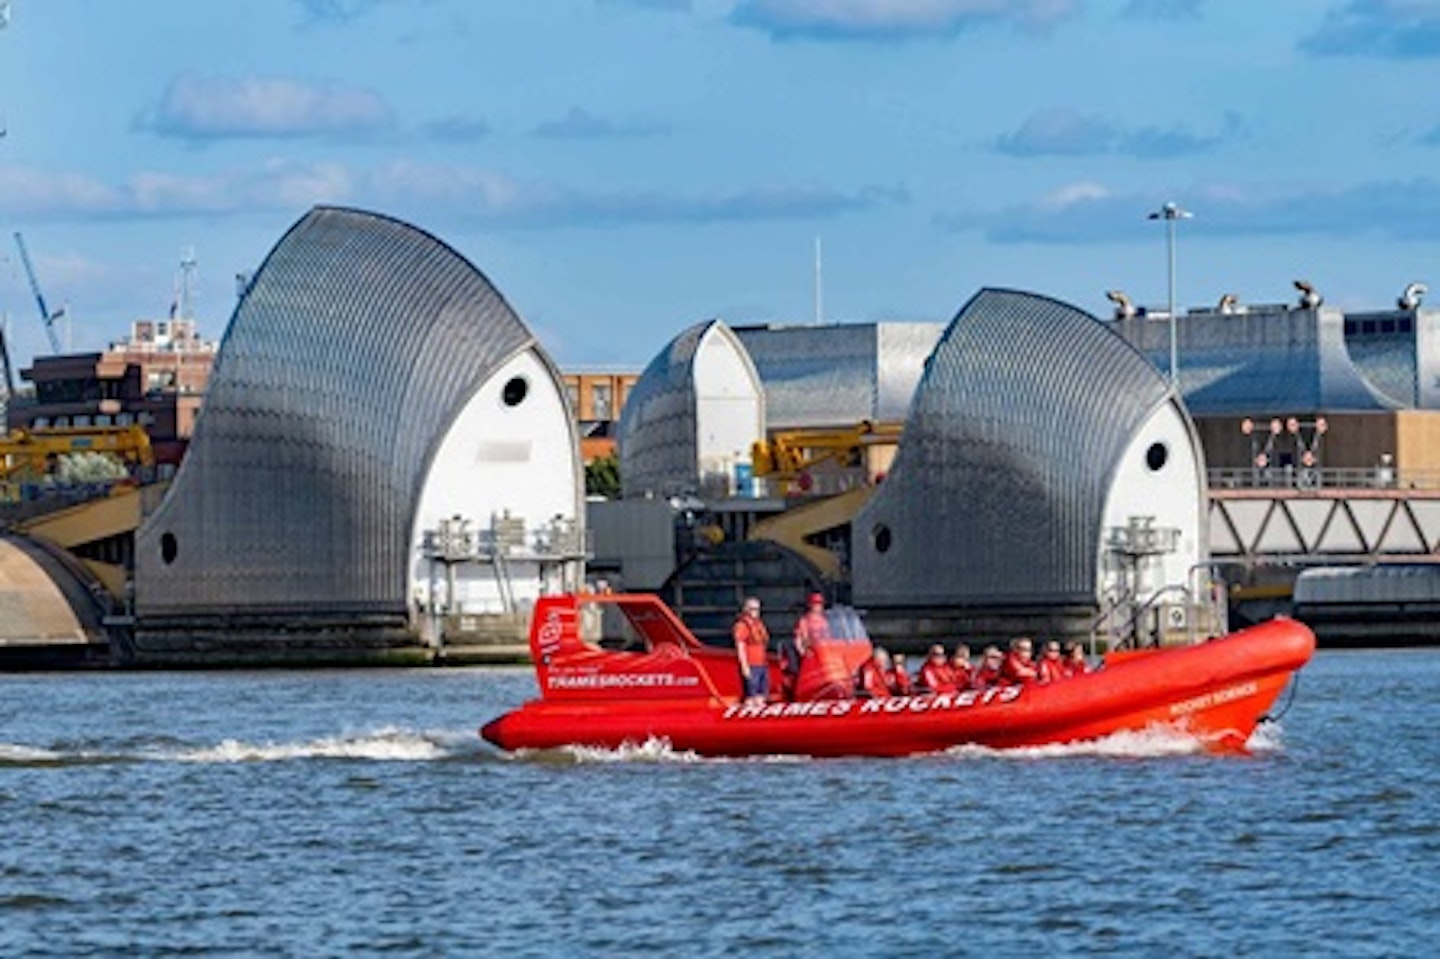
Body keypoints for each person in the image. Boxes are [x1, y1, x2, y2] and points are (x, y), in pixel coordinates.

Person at [733, 596, 771, 706]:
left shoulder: (759, 624)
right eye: (753, 609)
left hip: (762, 664)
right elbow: (740, 647)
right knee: (751, 696)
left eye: (757, 609)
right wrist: (745, 667)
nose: (756, 612)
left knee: (761, 695)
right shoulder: (742, 626)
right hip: (751, 664)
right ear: (746, 609)